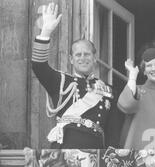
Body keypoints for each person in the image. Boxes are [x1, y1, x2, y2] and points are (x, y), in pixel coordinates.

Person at [32, 3, 122, 149]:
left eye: (87, 54)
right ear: (71, 59)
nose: (83, 58)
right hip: (64, 151)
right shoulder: (60, 81)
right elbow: (38, 66)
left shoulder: (109, 91)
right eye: (78, 55)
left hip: (95, 153)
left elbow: (113, 131)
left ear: (94, 58)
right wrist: (45, 32)